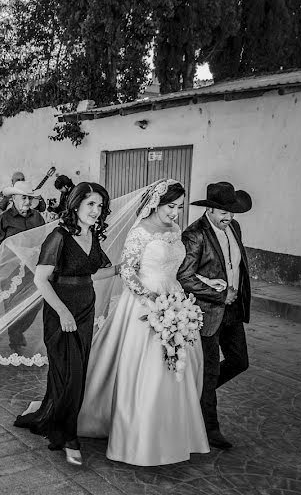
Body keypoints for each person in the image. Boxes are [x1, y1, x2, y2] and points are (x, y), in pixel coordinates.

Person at [78, 179, 209, 466]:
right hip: (144, 304)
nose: (175, 213)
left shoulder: (175, 230)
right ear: (156, 204)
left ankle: (175, 434)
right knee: (148, 367)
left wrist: (177, 299)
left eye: (179, 207)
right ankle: (141, 437)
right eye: (171, 207)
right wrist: (149, 298)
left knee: (179, 364)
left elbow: (176, 266)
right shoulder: (139, 231)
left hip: (173, 298)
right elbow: (126, 271)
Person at [13, 182, 117, 466]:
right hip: (61, 313)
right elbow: (40, 280)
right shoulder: (58, 235)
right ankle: (68, 436)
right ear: (75, 205)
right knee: (70, 374)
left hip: (85, 309)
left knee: (75, 371)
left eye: (99, 205)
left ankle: (50, 416)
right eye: (90, 204)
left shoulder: (92, 234)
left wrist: (122, 268)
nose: (96, 211)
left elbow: (91, 274)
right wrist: (63, 313)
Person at [178, 181, 253, 450]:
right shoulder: (194, 234)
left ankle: (197, 395)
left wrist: (235, 296)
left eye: (231, 212)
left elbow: (236, 265)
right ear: (210, 209)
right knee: (209, 371)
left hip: (233, 310)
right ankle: (209, 428)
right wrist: (220, 295)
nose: (229, 217)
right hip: (208, 311)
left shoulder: (234, 227)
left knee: (239, 361)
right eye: (223, 212)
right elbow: (184, 277)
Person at [0, 178, 46, 354]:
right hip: (10, 271)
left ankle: (18, 330)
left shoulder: (38, 217)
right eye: (23, 198)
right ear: (13, 199)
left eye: (29, 198)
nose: (27, 202)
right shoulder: (4, 219)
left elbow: (44, 241)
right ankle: (14, 336)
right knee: (12, 305)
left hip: (32, 269)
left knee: (35, 303)